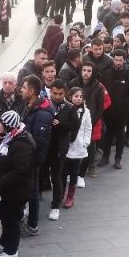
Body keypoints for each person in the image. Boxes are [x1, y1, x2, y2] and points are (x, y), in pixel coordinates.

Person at [0, 111, 35, 257]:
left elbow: (19, 171)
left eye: (1, 123)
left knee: (12, 220)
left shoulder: (21, 144)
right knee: (5, 217)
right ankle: (4, 243)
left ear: (8, 126)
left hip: (14, 192)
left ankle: (11, 252)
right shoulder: (8, 138)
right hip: (5, 191)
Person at [20, 75, 52, 237]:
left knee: (32, 191)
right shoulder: (31, 106)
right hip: (27, 157)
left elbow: (39, 142)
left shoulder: (41, 114)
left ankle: (33, 224)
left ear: (31, 91)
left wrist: (33, 161)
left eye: (24, 87)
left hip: (31, 160)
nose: (21, 90)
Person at [99, 49, 129, 169]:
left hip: (122, 111)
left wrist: (127, 101)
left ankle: (118, 158)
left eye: (120, 60)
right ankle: (105, 157)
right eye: (116, 60)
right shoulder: (106, 73)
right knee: (107, 134)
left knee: (120, 134)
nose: (117, 62)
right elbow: (100, 88)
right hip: (108, 111)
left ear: (124, 60)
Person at [44, 80, 76, 220]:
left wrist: (60, 125)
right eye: (55, 93)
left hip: (59, 148)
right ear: (50, 92)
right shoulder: (44, 105)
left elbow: (75, 125)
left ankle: (56, 205)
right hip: (44, 146)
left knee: (57, 177)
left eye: (60, 94)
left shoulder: (69, 107)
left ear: (65, 93)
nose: (57, 96)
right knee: (39, 175)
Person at [62, 87, 90, 209]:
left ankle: (70, 197)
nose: (78, 98)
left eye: (80, 96)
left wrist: (85, 142)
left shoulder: (86, 112)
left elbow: (88, 128)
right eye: (76, 96)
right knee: (63, 172)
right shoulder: (65, 109)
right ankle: (61, 193)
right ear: (70, 97)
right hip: (66, 145)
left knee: (74, 172)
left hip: (78, 146)